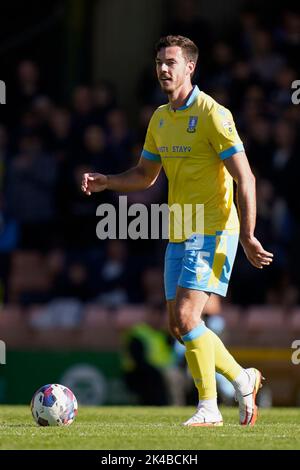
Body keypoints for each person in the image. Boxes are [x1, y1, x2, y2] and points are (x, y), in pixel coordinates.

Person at [81, 35, 273, 426]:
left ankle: (208, 408)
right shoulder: (160, 118)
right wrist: (107, 182)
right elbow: (145, 175)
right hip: (181, 228)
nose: (163, 69)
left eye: (171, 62)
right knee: (177, 325)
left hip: (216, 228)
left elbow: (246, 178)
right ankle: (242, 378)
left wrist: (250, 234)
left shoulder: (212, 113)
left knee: (187, 318)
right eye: (158, 63)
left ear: (190, 67)